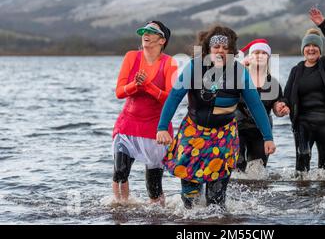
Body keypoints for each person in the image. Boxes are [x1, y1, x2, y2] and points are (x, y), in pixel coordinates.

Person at [156, 25, 276, 209]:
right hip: (193, 134)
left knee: (216, 203)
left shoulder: (239, 72)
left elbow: (256, 106)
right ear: (208, 49)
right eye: (216, 46)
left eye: (225, 47)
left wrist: (268, 137)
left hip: (224, 137)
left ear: (232, 51)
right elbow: (174, 97)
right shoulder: (195, 67)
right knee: (190, 199)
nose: (220, 50)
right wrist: (162, 127)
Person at [112, 21, 178, 205]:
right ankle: (120, 209)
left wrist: (148, 86)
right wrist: (135, 85)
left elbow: (170, 99)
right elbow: (119, 92)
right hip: (127, 125)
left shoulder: (169, 62)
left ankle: (158, 214)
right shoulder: (131, 57)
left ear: (162, 40)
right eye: (144, 31)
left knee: (154, 187)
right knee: (119, 172)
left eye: (151, 32)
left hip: (155, 129)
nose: (145, 34)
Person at [284, 7, 325, 174]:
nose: (311, 49)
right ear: (303, 49)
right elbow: (287, 96)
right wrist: (283, 105)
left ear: (320, 49)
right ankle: (303, 198)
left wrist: (323, 25)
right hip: (303, 123)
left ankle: (324, 198)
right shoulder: (296, 70)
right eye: (307, 45)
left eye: (315, 46)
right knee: (301, 166)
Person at [236, 39, 289, 172]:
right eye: (256, 52)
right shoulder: (238, 77)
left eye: (263, 53)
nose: (259, 55)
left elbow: (276, 106)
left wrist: (280, 109)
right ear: (250, 57)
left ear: (268, 58)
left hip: (261, 131)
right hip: (237, 128)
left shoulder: (273, 83)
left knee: (257, 171)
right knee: (237, 168)